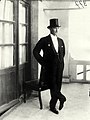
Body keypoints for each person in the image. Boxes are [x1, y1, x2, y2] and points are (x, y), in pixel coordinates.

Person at [33, 18, 66, 114]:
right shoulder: (44, 40)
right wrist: (43, 62)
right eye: (54, 28)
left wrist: (60, 63)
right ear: (50, 29)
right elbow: (35, 51)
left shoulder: (60, 41)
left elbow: (62, 54)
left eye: (57, 28)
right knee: (52, 86)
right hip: (49, 68)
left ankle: (54, 104)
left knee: (58, 85)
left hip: (59, 67)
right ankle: (61, 98)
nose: (56, 30)